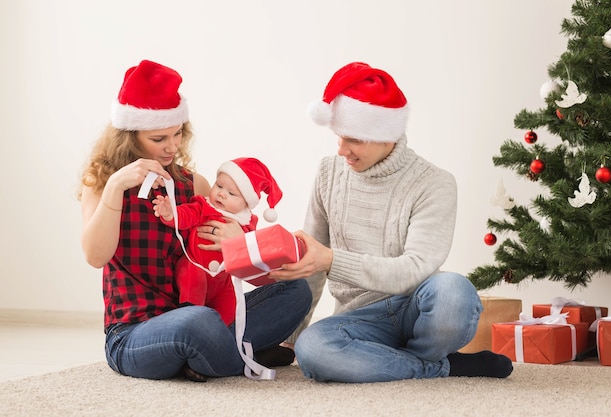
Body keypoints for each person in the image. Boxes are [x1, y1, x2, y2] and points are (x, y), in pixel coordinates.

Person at [269, 62, 513, 383]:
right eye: (338, 138)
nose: (342, 150)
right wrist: (291, 336)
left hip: (415, 306)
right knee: (312, 349)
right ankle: (445, 367)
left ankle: (395, 360)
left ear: (385, 136)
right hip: (357, 319)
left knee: (455, 293)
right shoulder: (329, 173)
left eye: (353, 139)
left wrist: (331, 260)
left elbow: (413, 269)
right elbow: (309, 263)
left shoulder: (435, 183)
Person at [78, 59, 311, 382]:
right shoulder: (103, 184)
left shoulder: (193, 185)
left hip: (202, 315)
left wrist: (237, 241)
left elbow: (234, 268)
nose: (172, 146)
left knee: (295, 290)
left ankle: (216, 356)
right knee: (195, 322)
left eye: (177, 134)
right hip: (134, 334)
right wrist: (117, 185)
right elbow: (95, 256)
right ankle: (242, 355)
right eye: (159, 139)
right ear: (128, 138)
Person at [152, 156, 283, 327]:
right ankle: (190, 319)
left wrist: (242, 241)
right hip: (196, 266)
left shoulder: (246, 222)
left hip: (223, 280)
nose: (221, 193)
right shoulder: (204, 206)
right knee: (193, 281)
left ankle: (221, 335)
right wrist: (170, 214)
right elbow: (186, 215)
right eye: (219, 186)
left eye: (231, 194)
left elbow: (253, 252)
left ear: (246, 204)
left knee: (230, 307)